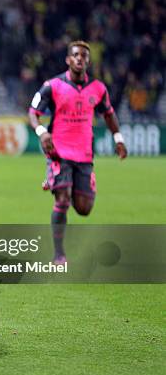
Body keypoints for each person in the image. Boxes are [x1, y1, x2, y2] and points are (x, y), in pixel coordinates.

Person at [28, 41, 127, 265]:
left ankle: (60, 182)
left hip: (84, 154)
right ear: (68, 59)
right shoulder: (52, 86)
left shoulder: (99, 89)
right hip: (58, 152)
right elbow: (33, 112)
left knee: (84, 209)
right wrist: (43, 132)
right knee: (62, 200)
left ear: (88, 61)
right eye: (75, 55)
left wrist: (118, 138)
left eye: (84, 56)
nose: (80, 59)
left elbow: (109, 114)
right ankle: (59, 255)